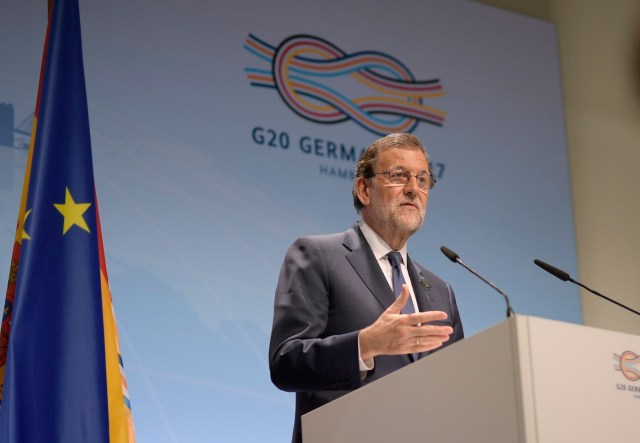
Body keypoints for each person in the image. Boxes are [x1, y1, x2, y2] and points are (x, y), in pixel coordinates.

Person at [269, 133, 464, 443]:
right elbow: (286, 363)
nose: (413, 189)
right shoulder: (318, 255)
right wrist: (364, 345)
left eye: (423, 179)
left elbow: (456, 394)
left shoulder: (441, 291)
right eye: (399, 176)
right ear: (364, 189)